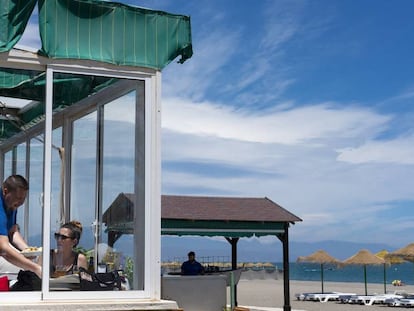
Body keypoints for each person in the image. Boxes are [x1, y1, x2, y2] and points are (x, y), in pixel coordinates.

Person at [0, 175, 42, 278]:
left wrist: (28, 250)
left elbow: (12, 230)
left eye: (23, 199)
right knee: (24, 269)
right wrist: (35, 268)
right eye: (18, 198)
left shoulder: (11, 204)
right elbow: (4, 248)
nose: (21, 202)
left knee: (34, 260)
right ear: (5, 192)